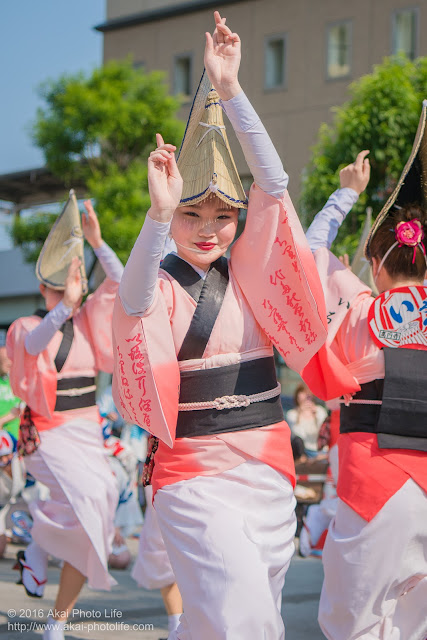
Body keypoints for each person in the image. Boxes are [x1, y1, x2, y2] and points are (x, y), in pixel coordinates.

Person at [113, 11, 327, 639]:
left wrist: (230, 91)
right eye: (191, 213)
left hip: (267, 466)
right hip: (193, 476)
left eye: (223, 214)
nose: (208, 227)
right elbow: (130, 296)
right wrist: (156, 215)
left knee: (235, 619)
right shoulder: (156, 284)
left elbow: (275, 182)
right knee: (243, 618)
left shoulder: (256, 272)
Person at [304, 129, 427, 639]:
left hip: (372, 485)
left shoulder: (357, 310)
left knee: (351, 622)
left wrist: (346, 193)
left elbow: (306, 256)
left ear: (375, 265)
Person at [7, 192, 123, 640]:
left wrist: (96, 243)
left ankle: (55, 620)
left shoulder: (92, 317)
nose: (70, 292)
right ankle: (38, 537)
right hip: (47, 437)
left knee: (100, 504)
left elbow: (123, 284)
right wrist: (63, 306)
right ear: (44, 289)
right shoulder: (25, 328)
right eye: (58, 287)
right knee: (91, 496)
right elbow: (35, 346)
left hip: (86, 432)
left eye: (72, 285)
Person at [286, 383, 327, 457]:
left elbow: (324, 434)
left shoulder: (320, 411)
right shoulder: (292, 414)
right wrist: (300, 415)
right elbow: (298, 436)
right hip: (304, 452)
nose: (306, 396)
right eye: (303, 392)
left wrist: (315, 416)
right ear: (297, 396)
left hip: (321, 451)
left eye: (309, 393)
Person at [0, 342, 21, 440]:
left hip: (16, 437)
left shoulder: (19, 382)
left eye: (10, 359)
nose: (8, 363)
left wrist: (2, 421)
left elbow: (21, 407)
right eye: (3, 360)